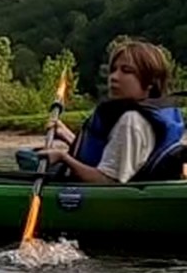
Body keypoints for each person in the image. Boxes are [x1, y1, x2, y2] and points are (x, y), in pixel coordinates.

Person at [36, 40, 185, 183]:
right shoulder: (141, 115)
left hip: (114, 195)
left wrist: (63, 158)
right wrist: (65, 134)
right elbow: (114, 151)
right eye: (113, 70)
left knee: (32, 162)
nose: (114, 77)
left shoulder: (132, 121)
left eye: (126, 71)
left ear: (151, 82)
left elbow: (107, 181)